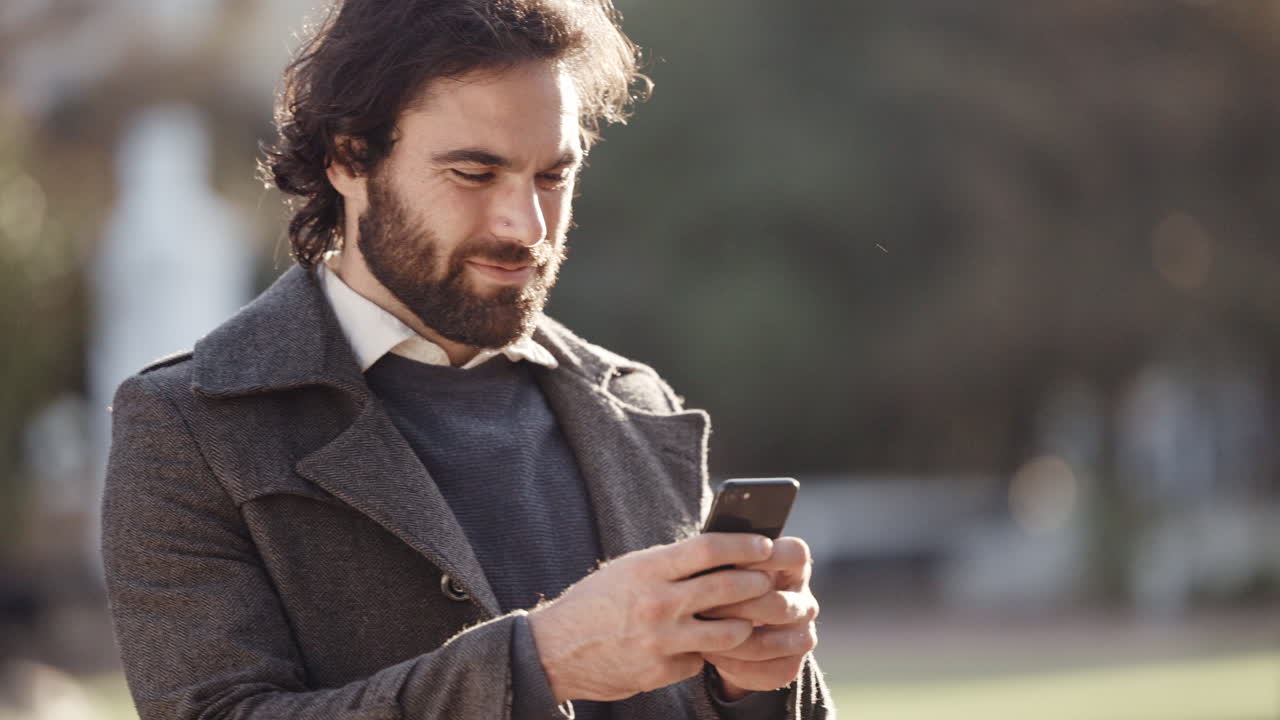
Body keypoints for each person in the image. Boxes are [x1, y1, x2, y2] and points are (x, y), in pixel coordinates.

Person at [101, 1, 832, 718]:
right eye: (475, 175)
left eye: (552, 176)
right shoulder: (188, 425)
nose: (527, 227)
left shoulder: (638, 402)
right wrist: (542, 662)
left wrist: (751, 686)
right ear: (349, 159)